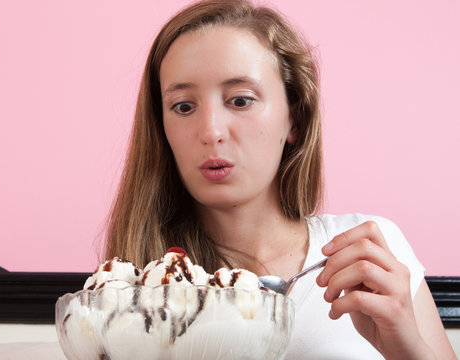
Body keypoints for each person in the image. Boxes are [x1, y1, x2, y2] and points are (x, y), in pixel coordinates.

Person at [102, 0, 456, 358]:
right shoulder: (131, 289)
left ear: (294, 119)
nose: (210, 131)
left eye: (240, 100)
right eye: (183, 106)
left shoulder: (372, 256)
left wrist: (407, 347)